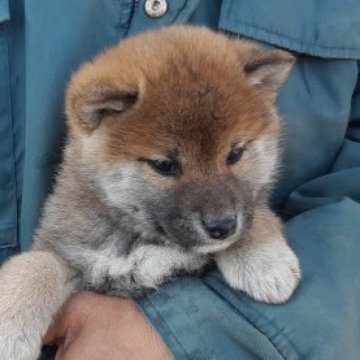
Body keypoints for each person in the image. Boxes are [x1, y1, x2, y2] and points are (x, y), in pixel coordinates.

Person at [1, 0, 360, 359]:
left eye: (234, 155)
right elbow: (55, 260)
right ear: (100, 115)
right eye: (166, 166)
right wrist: (25, 290)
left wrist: (255, 234)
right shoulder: (80, 207)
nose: (221, 211)